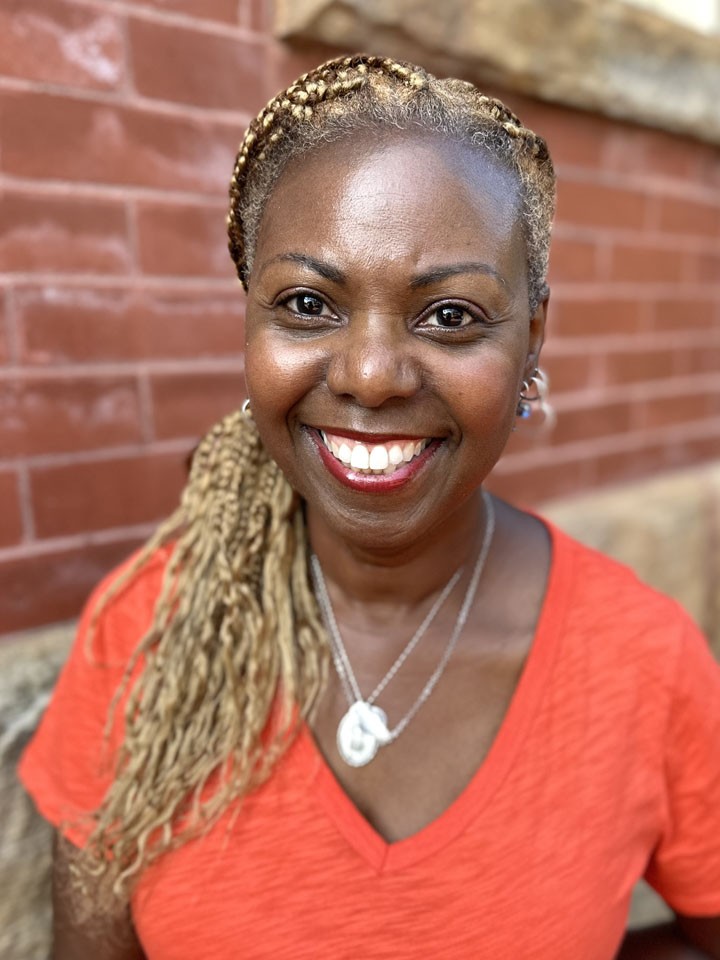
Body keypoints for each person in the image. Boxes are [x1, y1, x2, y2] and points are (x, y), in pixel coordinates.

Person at [19, 54, 720, 959]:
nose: (371, 376)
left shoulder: (643, 662)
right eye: (309, 303)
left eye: (451, 316)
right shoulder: (145, 636)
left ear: (532, 336)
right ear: (249, 323)